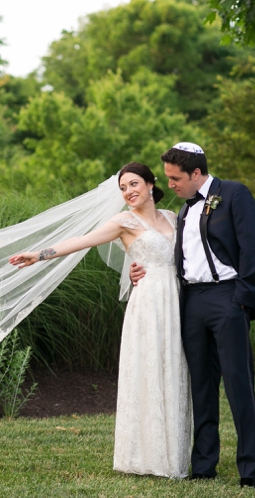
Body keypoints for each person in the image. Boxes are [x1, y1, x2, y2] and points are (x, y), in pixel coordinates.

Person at [10, 162, 191, 478]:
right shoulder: (123, 222)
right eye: (123, 188)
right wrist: (39, 254)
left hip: (177, 300)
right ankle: (146, 457)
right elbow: (82, 240)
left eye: (133, 184)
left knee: (174, 369)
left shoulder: (173, 219)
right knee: (150, 369)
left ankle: (175, 454)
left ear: (151, 184)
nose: (128, 192)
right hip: (149, 302)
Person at [131, 143, 255, 488]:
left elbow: (254, 247)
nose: (171, 185)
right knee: (201, 386)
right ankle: (204, 465)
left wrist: (240, 296)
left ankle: (249, 470)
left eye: (175, 178)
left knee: (239, 385)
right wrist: (140, 270)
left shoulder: (234, 194)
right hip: (192, 302)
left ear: (196, 173)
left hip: (228, 298)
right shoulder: (182, 210)